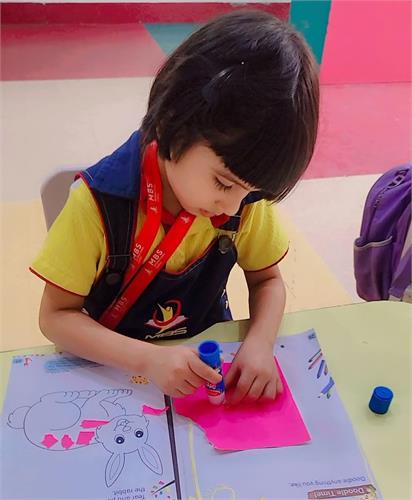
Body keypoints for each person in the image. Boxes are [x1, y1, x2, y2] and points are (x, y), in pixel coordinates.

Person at [30, 10, 319, 404]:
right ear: (170, 125)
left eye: (251, 192)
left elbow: (268, 281)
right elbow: (55, 317)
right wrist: (147, 359)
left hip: (201, 373)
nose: (231, 206)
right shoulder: (96, 205)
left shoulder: (244, 198)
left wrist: (259, 343)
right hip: (113, 371)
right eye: (223, 183)